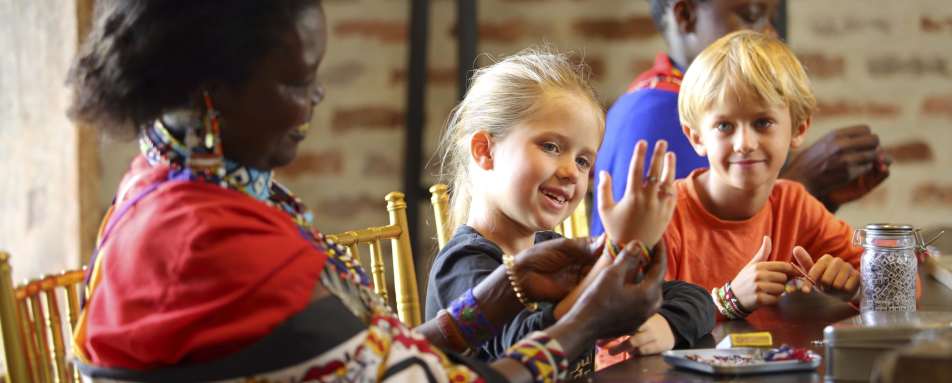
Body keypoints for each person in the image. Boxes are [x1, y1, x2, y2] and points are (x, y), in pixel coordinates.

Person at [66, 1, 667, 382]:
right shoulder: (208, 243)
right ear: (211, 93)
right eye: (299, 80)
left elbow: (375, 358)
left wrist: (507, 290)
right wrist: (586, 322)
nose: (316, 98)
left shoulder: (166, 185)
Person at [597, 30, 878, 368]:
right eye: (725, 127)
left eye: (763, 122)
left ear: (799, 129)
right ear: (696, 136)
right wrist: (727, 300)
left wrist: (857, 287)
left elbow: (902, 289)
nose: (744, 142)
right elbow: (627, 335)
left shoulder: (794, 205)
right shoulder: (666, 214)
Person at [424, 51, 715, 374]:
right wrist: (617, 256)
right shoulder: (463, 264)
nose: (571, 173)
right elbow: (523, 344)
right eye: (550, 147)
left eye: (583, 161)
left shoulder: (552, 249)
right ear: (485, 150)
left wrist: (666, 324)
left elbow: (696, 298)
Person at [590, 0, 890, 237]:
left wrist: (818, 198)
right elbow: (698, 259)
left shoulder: (659, 95)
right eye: (751, 15)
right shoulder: (657, 112)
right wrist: (802, 181)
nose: (769, 33)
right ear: (685, 16)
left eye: (772, 18)